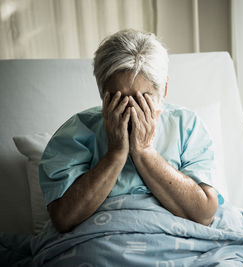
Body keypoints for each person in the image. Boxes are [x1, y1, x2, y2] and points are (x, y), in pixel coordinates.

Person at [38, 29, 222, 233]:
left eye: (143, 98)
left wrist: (145, 152)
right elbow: (64, 219)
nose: (132, 110)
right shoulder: (76, 132)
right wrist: (116, 153)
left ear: (164, 91)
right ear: (102, 94)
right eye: (119, 98)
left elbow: (204, 214)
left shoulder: (187, 126)